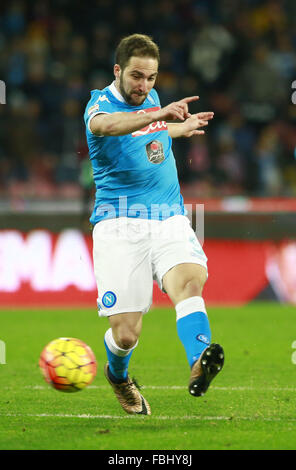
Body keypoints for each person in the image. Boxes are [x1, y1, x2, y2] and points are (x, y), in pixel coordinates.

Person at [84, 34, 224, 416]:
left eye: (151, 78)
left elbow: (150, 138)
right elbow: (110, 128)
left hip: (168, 217)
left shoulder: (151, 101)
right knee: (126, 334)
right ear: (118, 71)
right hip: (118, 224)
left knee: (190, 280)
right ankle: (118, 376)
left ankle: (199, 362)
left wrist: (177, 128)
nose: (144, 86)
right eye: (136, 76)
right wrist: (160, 116)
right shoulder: (99, 105)